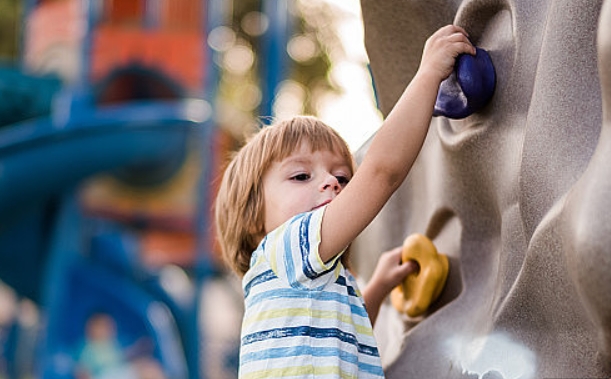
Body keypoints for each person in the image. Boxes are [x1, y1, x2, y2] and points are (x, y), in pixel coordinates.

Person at [214, 24, 475, 378]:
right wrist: (428, 75)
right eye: (301, 176)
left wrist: (377, 288)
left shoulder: (301, 278)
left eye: (342, 178)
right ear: (253, 216)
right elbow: (381, 173)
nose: (331, 184)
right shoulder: (289, 245)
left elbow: (341, 342)